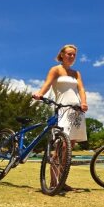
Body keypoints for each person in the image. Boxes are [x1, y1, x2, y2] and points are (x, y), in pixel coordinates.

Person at [33, 44, 89, 191]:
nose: (71, 57)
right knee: (61, 145)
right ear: (62, 55)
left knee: (70, 148)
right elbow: (47, 84)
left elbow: (81, 89)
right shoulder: (56, 69)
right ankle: (53, 181)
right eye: (69, 54)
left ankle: (61, 181)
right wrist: (40, 94)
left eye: (74, 55)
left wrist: (84, 102)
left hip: (76, 110)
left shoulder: (76, 73)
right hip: (62, 109)